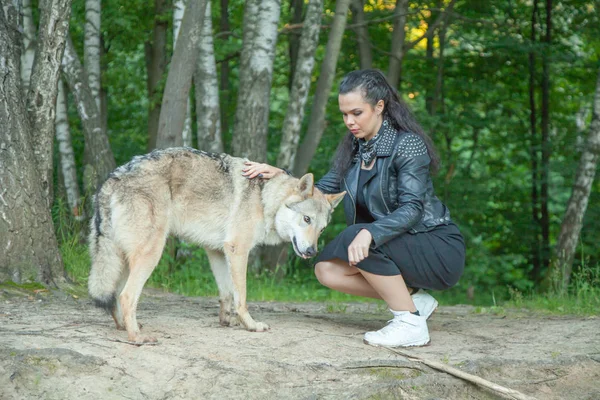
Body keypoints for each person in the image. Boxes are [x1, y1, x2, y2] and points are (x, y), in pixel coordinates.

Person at [242, 69, 465, 347]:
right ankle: (414, 301)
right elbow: (320, 193)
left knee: (355, 235)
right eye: (344, 114)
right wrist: (281, 175)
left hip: (435, 247)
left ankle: (409, 322)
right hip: (390, 243)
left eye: (357, 113)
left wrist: (370, 233)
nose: (349, 121)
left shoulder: (407, 145)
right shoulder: (355, 147)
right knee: (326, 270)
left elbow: (414, 208)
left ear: (379, 106)